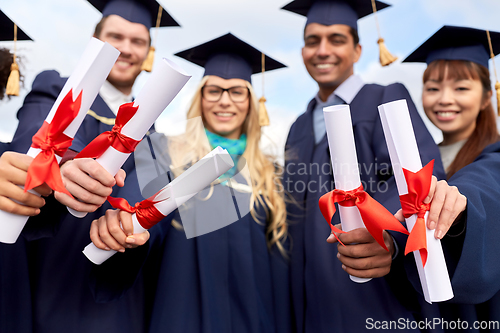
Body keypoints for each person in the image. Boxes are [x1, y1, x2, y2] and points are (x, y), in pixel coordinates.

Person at [87, 33, 292, 333]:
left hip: (254, 318)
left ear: (251, 102)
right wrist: (124, 231)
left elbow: (280, 266)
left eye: (237, 91)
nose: (225, 101)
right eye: (214, 91)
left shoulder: (271, 174)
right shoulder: (164, 153)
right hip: (179, 315)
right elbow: (137, 220)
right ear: (200, 98)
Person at [1, 1, 180, 332]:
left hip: (120, 300)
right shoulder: (58, 90)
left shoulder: (153, 134)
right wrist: (66, 165)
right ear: (96, 41)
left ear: (148, 53)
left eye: (137, 41)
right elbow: (35, 136)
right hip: (52, 284)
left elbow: (155, 212)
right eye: (116, 37)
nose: (126, 49)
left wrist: (136, 229)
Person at [280, 0, 445, 331]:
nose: (323, 50)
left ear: (357, 50)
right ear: (302, 52)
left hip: (375, 295)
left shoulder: (384, 98)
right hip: (310, 298)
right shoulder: (298, 125)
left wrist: (390, 241)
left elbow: (421, 183)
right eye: (313, 41)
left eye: (336, 39)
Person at [398, 25, 500, 332]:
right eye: (432, 88)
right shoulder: (419, 160)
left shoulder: (495, 154)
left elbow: (485, 186)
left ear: (486, 97)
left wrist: (460, 201)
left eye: (461, 88)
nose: (444, 99)